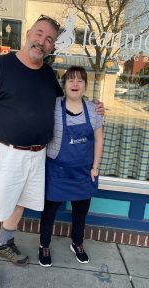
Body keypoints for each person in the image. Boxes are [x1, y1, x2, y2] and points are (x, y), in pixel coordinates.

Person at [0, 15, 104, 288]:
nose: (42, 42)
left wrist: (93, 108)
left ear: (52, 46)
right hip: (5, 153)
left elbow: (67, 101)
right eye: (39, 34)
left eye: (49, 39)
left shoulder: (47, 74)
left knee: (19, 203)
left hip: (37, 155)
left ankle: (4, 243)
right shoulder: (1, 65)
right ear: (28, 32)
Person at [38, 66, 103, 267]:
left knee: (80, 212)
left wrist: (95, 167)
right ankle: (44, 245)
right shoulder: (52, 105)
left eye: (80, 80)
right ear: (64, 85)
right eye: (71, 80)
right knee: (49, 211)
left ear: (85, 85)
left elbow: (99, 140)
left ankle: (77, 242)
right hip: (56, 169)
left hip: (83, 171)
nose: (75, 84)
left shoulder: (94, 109)